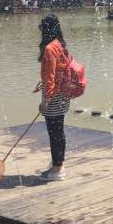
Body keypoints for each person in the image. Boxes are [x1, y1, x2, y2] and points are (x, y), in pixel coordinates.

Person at [34, 14, 70, 180]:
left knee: (54, 132)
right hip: (63, 93)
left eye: (41, 27)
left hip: (53, 97)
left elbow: (50, 77)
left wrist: (45, 101)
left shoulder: (49, 48)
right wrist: (43, 83)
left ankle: (56, 170)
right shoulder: (59, 44)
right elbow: (59, 70)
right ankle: (59, 163)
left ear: (46, 29)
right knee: (58, 131)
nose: (40, 30)